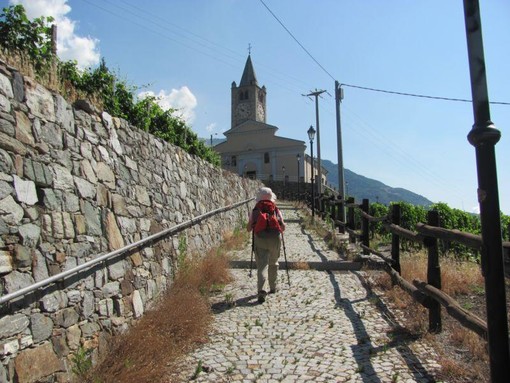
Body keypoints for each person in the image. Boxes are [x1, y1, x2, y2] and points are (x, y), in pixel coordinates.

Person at [247, 187, 285, 303]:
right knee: (273, 262)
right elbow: (283, 227)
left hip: (260, 239)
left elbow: (249, 228)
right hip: (275, 240)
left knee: (262, 265)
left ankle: (262, 290)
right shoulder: (276, 209)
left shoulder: (255, 210)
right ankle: (273, 287)